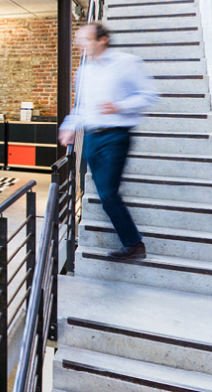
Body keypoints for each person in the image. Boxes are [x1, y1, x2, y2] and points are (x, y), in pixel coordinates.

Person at [59, 23, 158, 260]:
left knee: (107, 192)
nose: (81, 45)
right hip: (92, 136)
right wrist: (69, 126)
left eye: (86, 40)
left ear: (102, 40)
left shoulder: (126, 63)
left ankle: (134, 244)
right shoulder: (84, 71)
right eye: (79, 41)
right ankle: (133, 242)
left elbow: (149, 94)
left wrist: (119, 106)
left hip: (115, 135)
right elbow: (81, 105)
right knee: (105, 192)